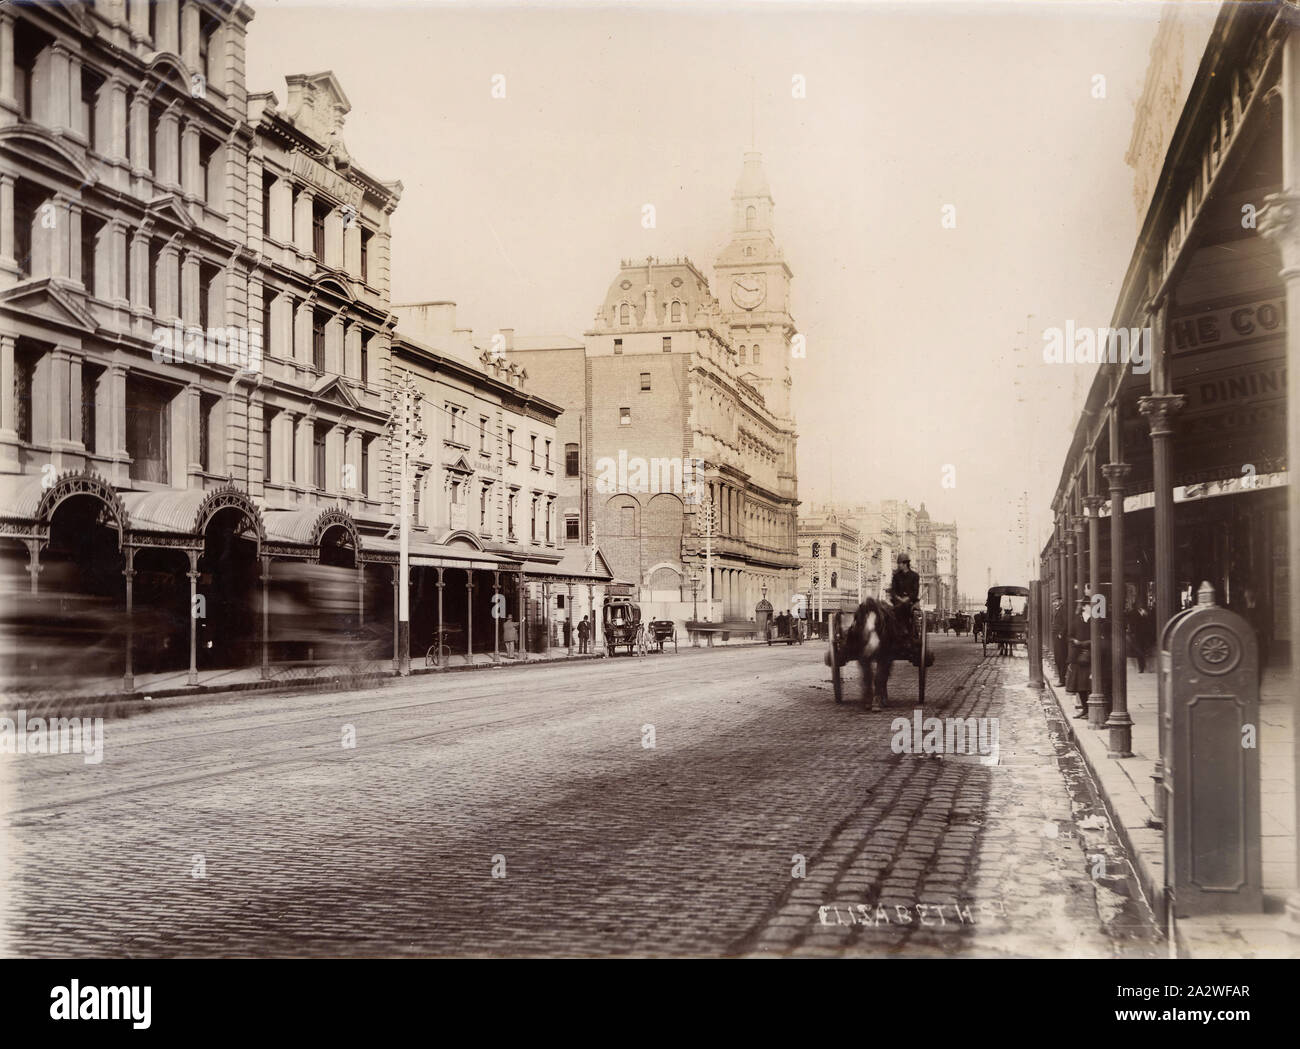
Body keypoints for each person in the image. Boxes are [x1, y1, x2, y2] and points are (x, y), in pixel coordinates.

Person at [1065, 597, 1091, 718]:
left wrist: (1086, 643)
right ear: (1085, 607)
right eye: (1090, 606)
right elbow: (1069, 636)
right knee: (1080, 685)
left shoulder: (1095, 620)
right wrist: (1074, 641)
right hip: (1078, 657)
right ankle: (1085, 709)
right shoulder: (1076, 620)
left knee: (1089, 684)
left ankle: (1091, 709)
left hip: (1090, 656)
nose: (1092, 608)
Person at [889, 554, 920, 639]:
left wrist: (907, 598)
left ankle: (908, 630)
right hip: (897, 602)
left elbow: (915, 591)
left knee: (906, 610)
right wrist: (898, 598)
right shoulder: (896, 576)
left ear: (905, 564)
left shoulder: (914, 576)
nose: (898, 565)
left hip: (910, 602)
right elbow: (893, 590)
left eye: (899, 563)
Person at [1050, 593, 1068, 687]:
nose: (1055, 603)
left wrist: (1061, 634)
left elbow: (1065, 623)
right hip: (1056, 636)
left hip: (1060, 638)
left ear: (1060, 601)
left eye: (1056, 601)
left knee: (1061, 658)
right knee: (1057, 658)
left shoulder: (1063, 610)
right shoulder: (1056, 610)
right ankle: (1061, 679)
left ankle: (1062, 680)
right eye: (1053, 602)